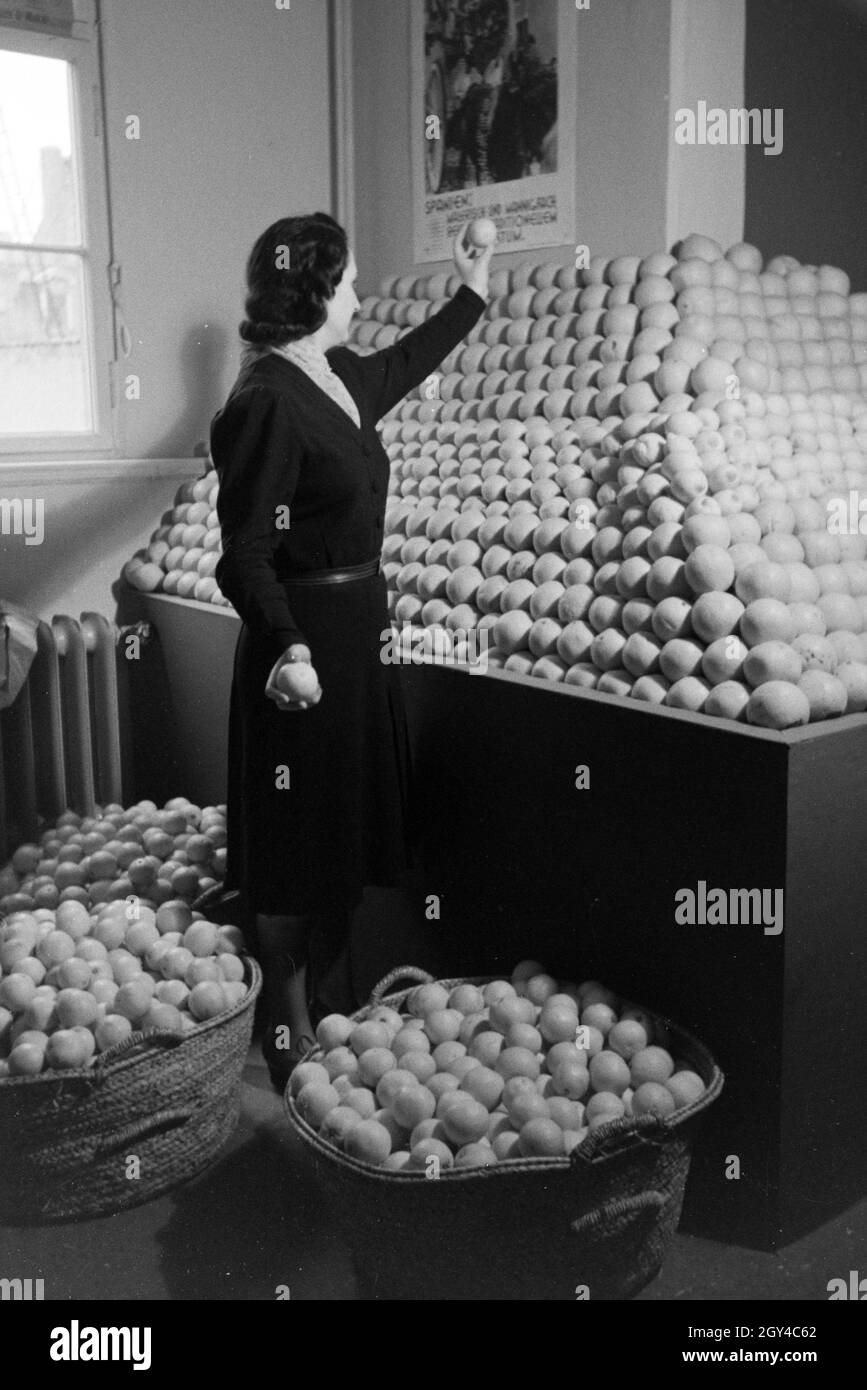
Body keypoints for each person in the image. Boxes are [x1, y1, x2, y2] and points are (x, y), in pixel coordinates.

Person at [209, 213, 491, 1089]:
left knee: (338, 838)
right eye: (353, 279)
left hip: (356, 636)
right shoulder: (264, 402)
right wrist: (288, 648)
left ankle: (327, 996)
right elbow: (244, 552)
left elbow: (405, 363)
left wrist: (473, 289)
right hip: (301, 653)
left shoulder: (330, 377)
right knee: (296, 849)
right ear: (318, 290)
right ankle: (287, 1027)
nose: (362, 293)